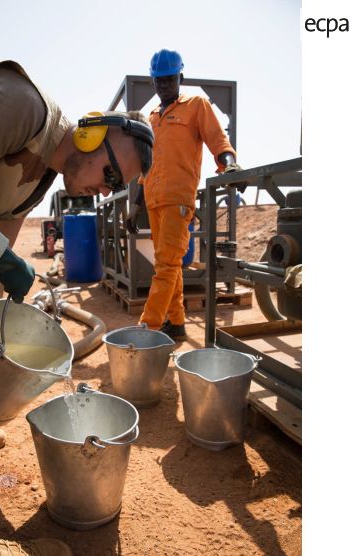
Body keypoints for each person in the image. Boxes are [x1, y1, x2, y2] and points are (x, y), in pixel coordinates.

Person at [0, 58, 153, 556]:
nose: (105, 189)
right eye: (110, 172)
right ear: (92, 135)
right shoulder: (24, 109)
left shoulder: (42, 178)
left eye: (115, 186)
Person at [126, 49, 244, 341]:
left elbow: (218, 140)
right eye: (158, 81)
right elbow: (145, 167)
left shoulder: (196, 105)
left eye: (169, 79)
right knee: (167, 264)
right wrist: (135, 206)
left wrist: (229, 165)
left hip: (178, 199)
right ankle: (176, 322)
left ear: (181, 76)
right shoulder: (151, 118)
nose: (163, 85)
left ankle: (148, 328)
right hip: (153, 200)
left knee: (166, 264)